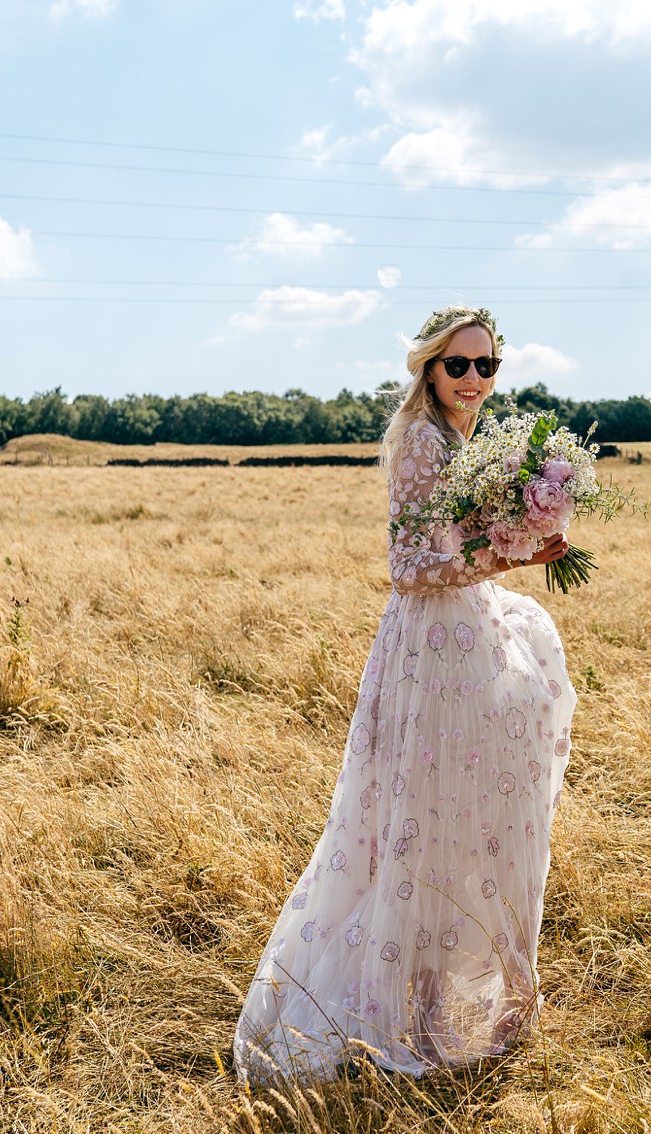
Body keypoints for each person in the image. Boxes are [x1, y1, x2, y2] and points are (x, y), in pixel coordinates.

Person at [234, 306, 578, 1084]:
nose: (474, 381)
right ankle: (399, 1008)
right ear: (429, 367)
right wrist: (509, 557)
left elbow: (457, 538)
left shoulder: (459, 437)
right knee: (423, 822)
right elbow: (410, 568)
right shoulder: (423, 440)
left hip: (462, 635)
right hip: (432, 646)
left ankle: (443, 994)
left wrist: (524, 528)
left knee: (457, 814)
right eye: (458, 366)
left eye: (487, 366)